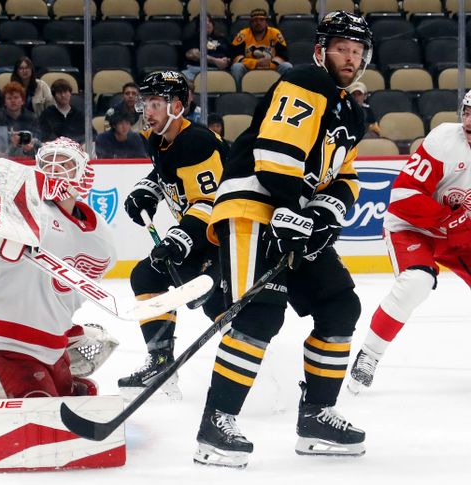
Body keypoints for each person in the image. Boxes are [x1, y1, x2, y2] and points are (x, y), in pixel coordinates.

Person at [193, 11, 373, 468]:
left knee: (340, 307)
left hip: (293, 214)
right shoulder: (305, 82)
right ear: (321, 51)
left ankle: (316, 417)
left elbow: (344, 176)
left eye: (356, 51)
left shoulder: (351, 109)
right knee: (259, 314)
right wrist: (296, 209)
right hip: (256, 206)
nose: (348, 58)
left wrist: (323, 217)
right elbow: (275, 153)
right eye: (340, 49)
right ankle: (216, 424)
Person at [0, 137, 115, 399]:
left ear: (85, 175)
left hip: (47, 349)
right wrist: (0, 193)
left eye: (65, 164)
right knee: (40, 420)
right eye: (47, 164)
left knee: (80, 401)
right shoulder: (23, 210)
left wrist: (65, 333)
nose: (54, 171)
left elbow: (60, 296)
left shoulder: (101, 237)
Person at [347, 91, 471, 394]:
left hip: (460, 235)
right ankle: (370, 355)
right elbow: (402, 198)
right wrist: (446, 218)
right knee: (416, 281)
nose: (469, 121)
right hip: (413, 227)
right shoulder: (445, 139)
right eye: (467, 112)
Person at [116, 71, 227, 398]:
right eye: (144, 103)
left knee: (219, 307)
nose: (146, 111)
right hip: (196, 236)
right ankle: (161, 362)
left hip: (225, 238)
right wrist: (147, 190)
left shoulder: (199, 143)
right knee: (146, 277)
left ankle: (259, 373)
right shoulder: (157, 137)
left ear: (177, 106)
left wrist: (179, 238)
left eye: (154, 103)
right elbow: (165, 171)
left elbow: (213, 201)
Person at [229, 8, 293, 90]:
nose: (258, 23)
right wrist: (256, 63)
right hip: (248, 66)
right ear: (251, 23)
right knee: (237, 67)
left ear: (266, 22)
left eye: (261, 20)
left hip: (271, 65)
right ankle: (238, 92)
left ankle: (286, 92)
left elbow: (284, 56)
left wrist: (270, 64)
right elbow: (235, 56)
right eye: (255, 20)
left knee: (287, 66)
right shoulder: (243, 34)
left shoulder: (275, 33)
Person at [0, 82, 41, 157]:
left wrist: (31, 144)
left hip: (28, 157)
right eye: (9, 98)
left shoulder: (31, 117)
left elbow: (38, 138)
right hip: (4, 157)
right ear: (5, 102)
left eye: (16, 97)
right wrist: (10, 141)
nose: (13, 101)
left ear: (23, 101)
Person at [182, 13, 231, 82]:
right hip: (196, 70)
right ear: (198, 27)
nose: (207, 23)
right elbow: (194, 55)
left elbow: (229, 55)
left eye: (210, 21)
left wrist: (227, 61)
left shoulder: (222, 39)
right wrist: (215, 61)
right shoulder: (192, 39)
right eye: (204, 22)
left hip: (219, 71)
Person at [38, 78, 84, 143]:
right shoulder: (47, 114)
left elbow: (91, 135)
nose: (63, 95)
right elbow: (44, 135)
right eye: (59, 93)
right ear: (54, 96)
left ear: (70, 93)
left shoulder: (79, 114)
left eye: (65, 92)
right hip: (54, 149)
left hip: (76, 149)